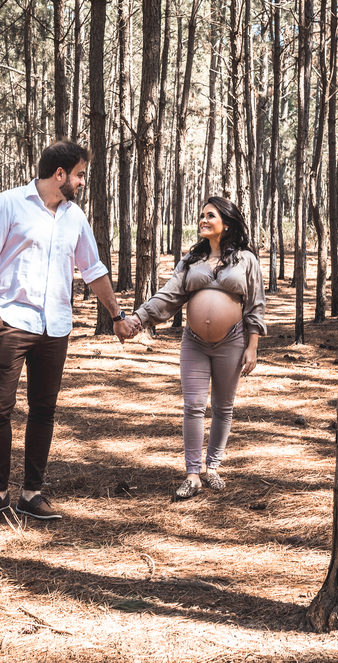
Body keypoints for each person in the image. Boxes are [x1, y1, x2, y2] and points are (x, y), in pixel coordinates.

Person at [0, 140, 140, 523]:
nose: (81, 182)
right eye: (79, 175)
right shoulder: (8, 204)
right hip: (10, 322)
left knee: (43, 410)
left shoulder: (74, 217)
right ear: (59, 173)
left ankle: (32, 493)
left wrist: (116, 315)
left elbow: (93, 269)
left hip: (55, 327)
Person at [133, 196, 266, 499]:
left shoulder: (246, 260)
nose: (203, 220)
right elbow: (168, 295)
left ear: (227, 223)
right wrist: (139, 319)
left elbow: (256, 306)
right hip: (193, 342)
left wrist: (252, 346)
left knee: (222, 406)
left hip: (231, 341)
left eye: (211, 216)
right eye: (202, 216)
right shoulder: (191, 260)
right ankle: (192, 474)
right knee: (193, 405)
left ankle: (213, 467)